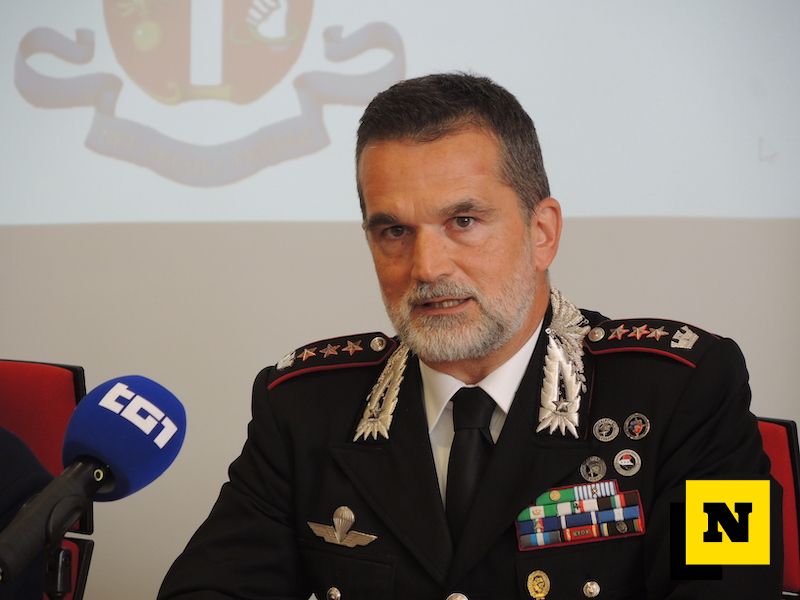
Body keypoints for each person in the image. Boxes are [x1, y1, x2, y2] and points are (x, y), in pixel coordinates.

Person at [158, 73, 781, 599]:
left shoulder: (687, 392)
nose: (426, 267)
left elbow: (730, 589)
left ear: (542, 232)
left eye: (463, 220)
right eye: (394, 231)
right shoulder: (304, 407)